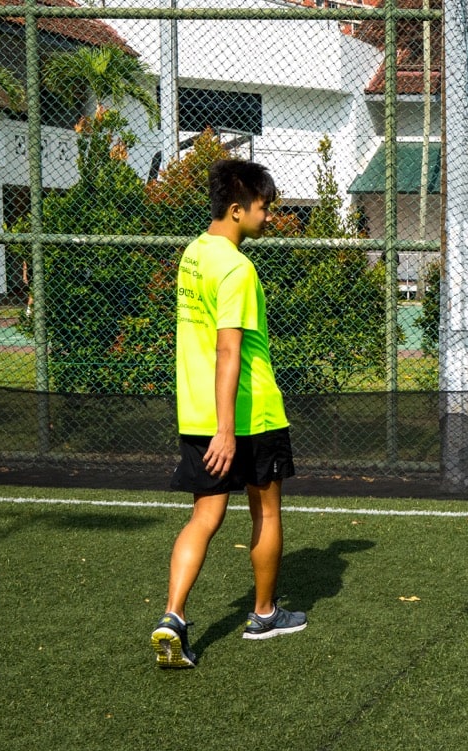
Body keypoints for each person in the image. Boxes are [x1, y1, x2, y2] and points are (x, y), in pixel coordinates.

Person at [150, 159, 306, 668]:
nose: (268, 217)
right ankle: (263, 614)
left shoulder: (193, 255)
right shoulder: (238, 268)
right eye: (263, 209)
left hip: (195, 413)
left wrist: (211, 425)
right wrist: (227, 430)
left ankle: (172, 616)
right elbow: (228, 351)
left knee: (205, 516)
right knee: (266, 511)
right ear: (237, 210)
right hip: (249, 415)